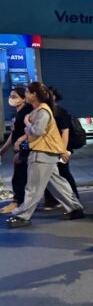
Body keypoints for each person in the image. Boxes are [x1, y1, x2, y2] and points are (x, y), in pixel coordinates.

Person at [6, 82, 84, 228]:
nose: (26, 95)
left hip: (41, 153)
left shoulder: (42, 111)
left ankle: (23, 216)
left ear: (34, 95)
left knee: (33, 187)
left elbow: (37, 132)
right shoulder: (39, 111)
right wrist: (22, 141)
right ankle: (75, 208)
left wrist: (27, 123)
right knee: (57, 184)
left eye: (28, 93)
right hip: (45, 153)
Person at [43, 88, 80, 209]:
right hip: (52, 148)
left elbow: (65, 132)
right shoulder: (47, 111)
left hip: (62, 148)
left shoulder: (60, 112)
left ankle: (74, 199)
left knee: (63, 173)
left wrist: (63, 150)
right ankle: (52, 200)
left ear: (54, 96)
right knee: (50, 174)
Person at [0, 86, 32, 214]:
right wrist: (3, 149)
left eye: (15, 97)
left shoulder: (27, 113)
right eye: (11, 96)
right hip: (19, 148)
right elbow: (13, 134)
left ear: (23, 98)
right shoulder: (18, 113)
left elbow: (32, 131)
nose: (11, 99)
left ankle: (17, 202)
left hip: (25, 147)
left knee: (19, 176)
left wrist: (21, 151)